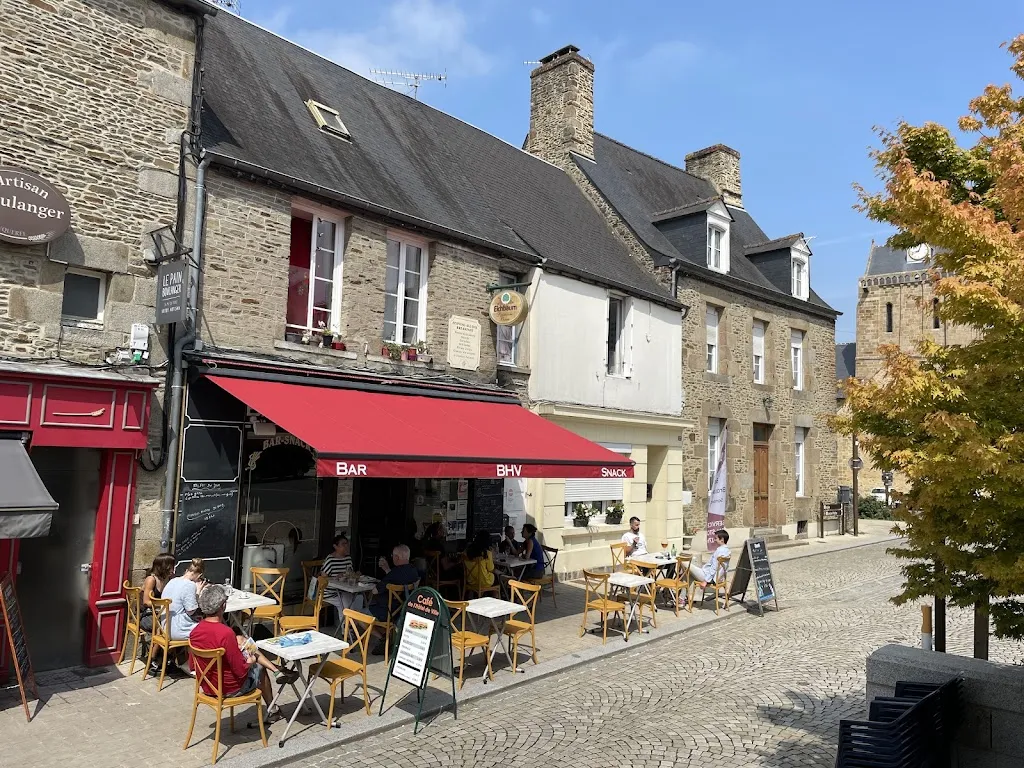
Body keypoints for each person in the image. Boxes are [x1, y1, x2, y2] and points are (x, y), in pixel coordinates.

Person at [188, 584, 296, 717]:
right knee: (259, 667)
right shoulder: (226, 633)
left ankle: (276, 670)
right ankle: (272, 708)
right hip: (230, 689)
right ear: (223, 606)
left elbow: (192, 666)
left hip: (208, 687)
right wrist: (251, 660)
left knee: (242, 640)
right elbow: (240, 670)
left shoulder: (194, 632)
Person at [368, 544, 420, 655]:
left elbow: (375, 591)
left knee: (358, 612)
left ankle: (384, 638)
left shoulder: (393, 574)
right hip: (403, 610)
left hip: (388, 612)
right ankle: (388, 636)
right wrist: (387, 569)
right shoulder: (413, 571)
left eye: (393, 555)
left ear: (396, 558)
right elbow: (397, 578)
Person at [161, 558, 207, 642]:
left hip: (164, 626)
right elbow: (191, 611)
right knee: (210, 630)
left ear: (187, 570)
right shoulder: (190, 585)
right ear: (199, 575)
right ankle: (200, 654)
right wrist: (198, 592)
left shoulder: (172, 581)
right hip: (178, 629)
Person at [320, 534, 359, 620]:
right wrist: (336, 578)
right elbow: (323, 579)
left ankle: (349, 628)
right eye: (343, 544)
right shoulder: (330, 560)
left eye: (347, 544)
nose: (346, 546)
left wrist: (352, 575)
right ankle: (346, 629)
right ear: (335, 546)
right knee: (344, 606)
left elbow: (350, 573)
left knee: (351, 603)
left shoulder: (348, 558)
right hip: (329, 593)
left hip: (344, 590)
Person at [140, 552, 175, 633]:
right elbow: (146, 602)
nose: (173, 570)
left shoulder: (168, 579)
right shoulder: (151, 580)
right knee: (165, 627)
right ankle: (159, 645)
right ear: (164, 567)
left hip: (160, 613)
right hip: (147, 615)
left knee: (177, 623)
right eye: (171, 567)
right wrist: (164, 604)